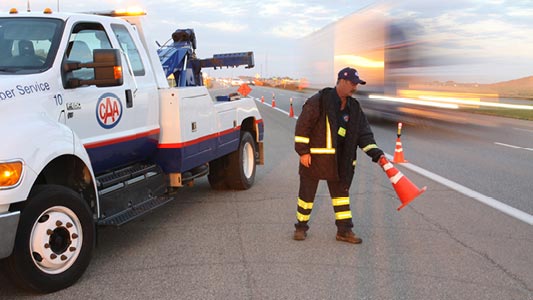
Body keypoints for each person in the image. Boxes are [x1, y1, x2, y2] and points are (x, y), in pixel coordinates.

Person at [293, 67, 385, 244]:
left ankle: (344, 231)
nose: (355, 88)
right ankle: (300, 228)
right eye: (352, 84)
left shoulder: (354, 107)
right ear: (341, 82)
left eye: (356, 84)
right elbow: (302, 127)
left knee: (341, 196)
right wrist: (303, 152)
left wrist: (377, 154)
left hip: (340, 160)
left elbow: (364, 134)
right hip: (316, 157)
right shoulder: (318, 101)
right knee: (306, 195)